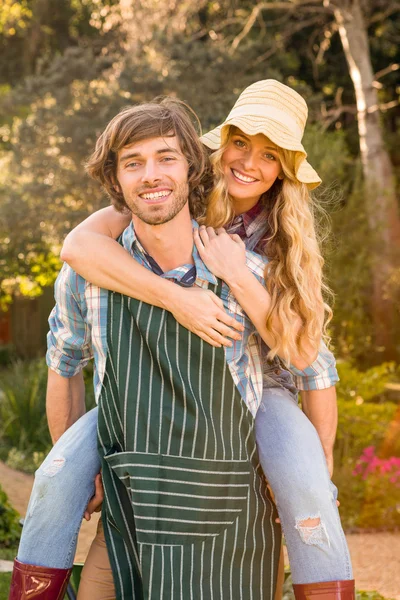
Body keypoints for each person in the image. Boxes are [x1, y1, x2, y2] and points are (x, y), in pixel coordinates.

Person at [9, 82, 354, 599]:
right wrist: (177, 298)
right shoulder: (166, 198)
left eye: (270, 155)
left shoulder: (278, 246)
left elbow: (311, 361)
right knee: (56, 478)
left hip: (260, 389)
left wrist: (319, 458)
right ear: (217, 149)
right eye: (241, 144)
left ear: (283, 169)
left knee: (308, 490)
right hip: (139, 400)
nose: (249, 163)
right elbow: (78, 247)